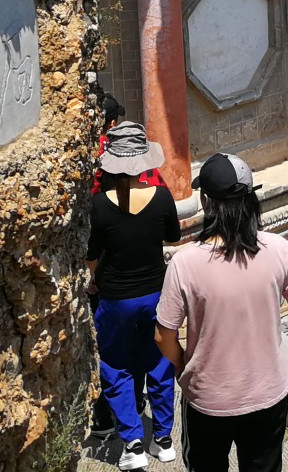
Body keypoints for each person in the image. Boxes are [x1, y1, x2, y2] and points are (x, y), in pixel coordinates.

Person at [154, 154, 288, 472]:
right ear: (250, 199)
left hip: (208, 398)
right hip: (267, 395)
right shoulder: (279, 249)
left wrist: (182, 365)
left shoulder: (184, 263)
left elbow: (163, 335)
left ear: (206, 202)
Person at [90, 122, 181, 470]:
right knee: (159, 363)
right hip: (157, 294)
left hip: (116, 300)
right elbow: (172, 238)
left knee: (116, 366)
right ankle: (164, 439)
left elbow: (91, 256)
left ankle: (132, 440)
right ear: (144, 160)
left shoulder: (99, 205)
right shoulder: (161, 197)